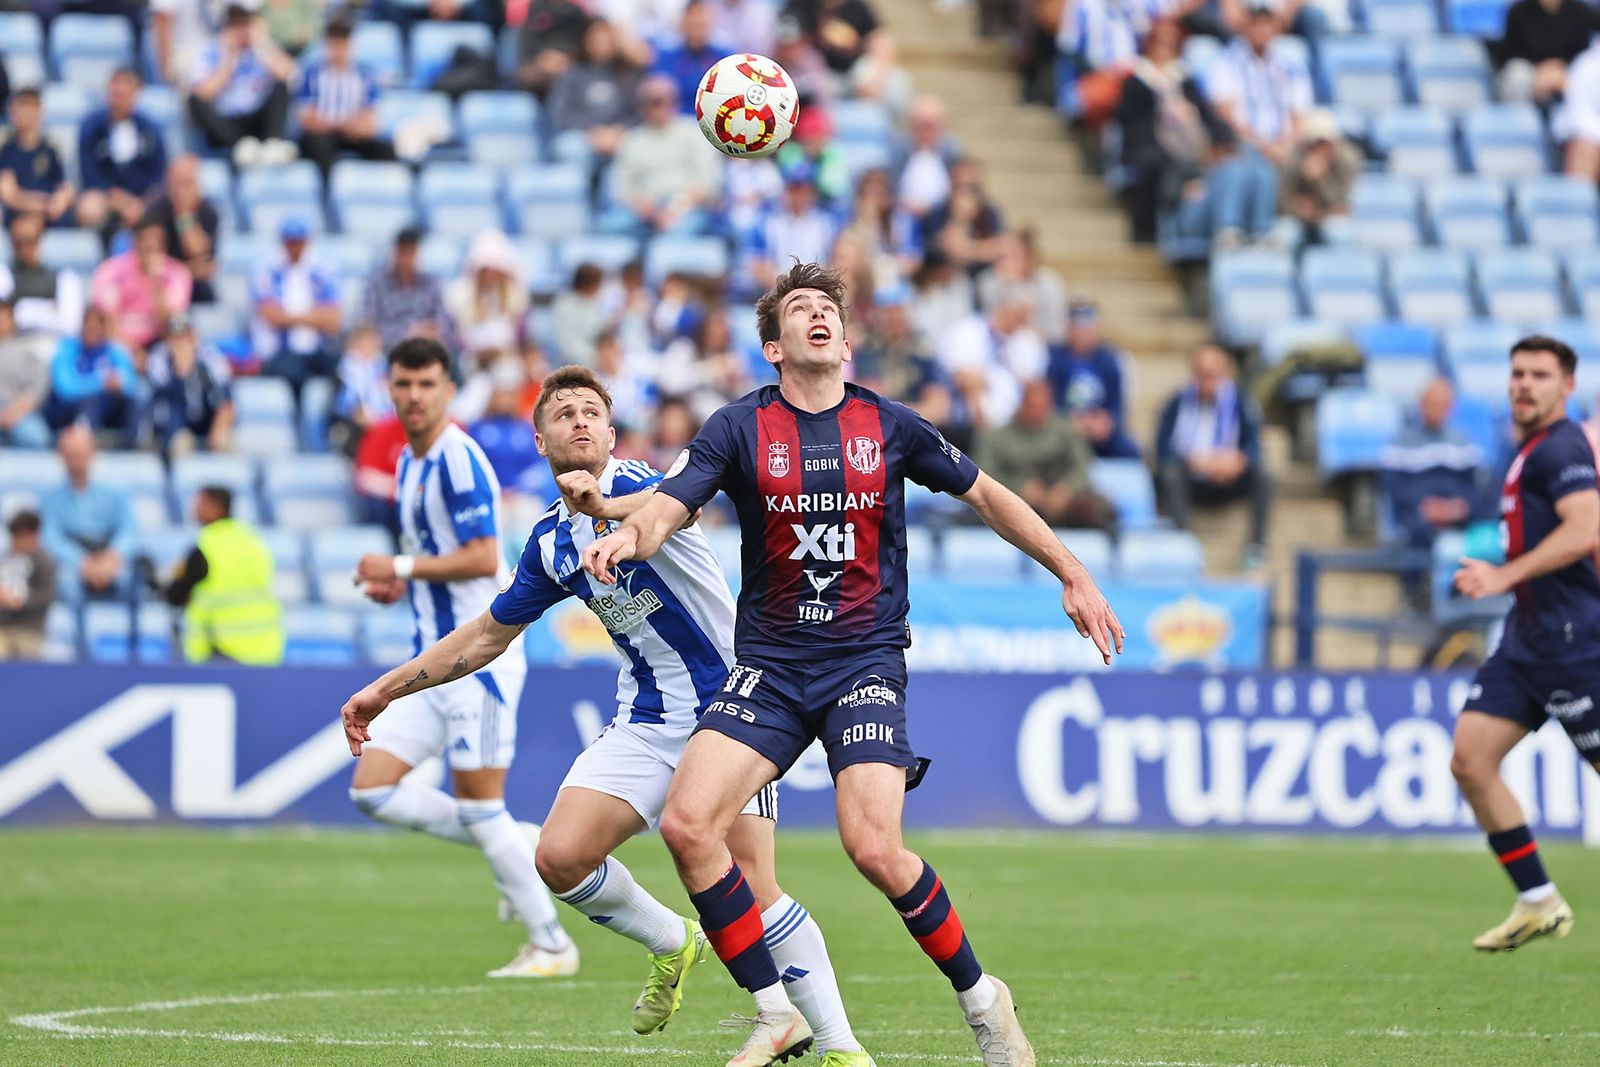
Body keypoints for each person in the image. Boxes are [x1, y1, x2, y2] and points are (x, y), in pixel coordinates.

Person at [581, 262, 1123, 1066]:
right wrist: (632, 534)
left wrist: (1071, 571)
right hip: (768, 664)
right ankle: (775, 1010)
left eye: (827, 306)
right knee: (690, 826)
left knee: (871, 845)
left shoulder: (890, 425)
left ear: (847, 334)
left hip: (862, 660)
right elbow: (673, 498)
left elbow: (987, 495)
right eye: (798, 308)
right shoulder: (736, 427)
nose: (817, 315)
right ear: (774, 345)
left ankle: (982, 999)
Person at [344, 364, 873, 1064]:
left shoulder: (643, 489)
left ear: (613, 432)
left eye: (591, 410)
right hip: (648, 717)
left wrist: (607, 507)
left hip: (734, 710)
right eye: (563, 414)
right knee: (558, 856)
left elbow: (676, 505)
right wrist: (386, 688)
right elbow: (483, 636)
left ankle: (839, 1045)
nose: (580, 421)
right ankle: (675, 941)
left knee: (755, 883)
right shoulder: (548, 543)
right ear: (540, 440)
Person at [343, 337, 576, 978]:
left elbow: (480, 556)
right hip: (432, 663)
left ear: (448, 390)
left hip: (480, 661)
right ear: (389, 390)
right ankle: (518, 844)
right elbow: (440, 559)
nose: (414, 396)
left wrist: (397, 563)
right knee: (374, 790)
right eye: (403, 385)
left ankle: (552, 944)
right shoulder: (410, 463)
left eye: (426, 384)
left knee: (477, 804)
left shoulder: (458, 460)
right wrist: (404, 581)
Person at [1450, 335, 1600, 951]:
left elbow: (1586, 526)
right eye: (1517, 373)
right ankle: (1538, 901)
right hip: (1527, 642)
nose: (1524, 384)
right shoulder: (1527, 450)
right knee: (1470, 759)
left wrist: (1502, 576)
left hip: (1575, 644)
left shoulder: (1561, 446)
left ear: (1566, 386)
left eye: (1540, 374)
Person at [1155, 343, 1273, 570]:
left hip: (1229, 479)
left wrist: (1237, 461)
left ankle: (1256, 546)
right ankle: (1183, 543)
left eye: (1212, 375)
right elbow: (1162, 448)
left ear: (1225, 373)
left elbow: (1254, 445)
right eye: (1201, 374)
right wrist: (1194, 462)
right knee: (1169, 474)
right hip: (1191, 477)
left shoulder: (1242, 402)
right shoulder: (1177, 402)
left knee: (1264, 476)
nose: (1207, 382)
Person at [1203, 2, 1312, 246]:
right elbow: (1226, 113)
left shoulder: (1291, 64)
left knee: (1275, 166)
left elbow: (1299, 113)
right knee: (1251, 167)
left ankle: (1262, 231)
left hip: (1281, 144)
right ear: (1246, 26)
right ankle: (1235, 229)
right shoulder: (1226, 60)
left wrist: (1285, 144)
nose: (1262, 30)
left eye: (1268, 23)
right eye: (1256, 23)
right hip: (1243, 141)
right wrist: (1264, 146)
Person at [160, 486, 284, 665]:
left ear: (217, 506)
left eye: (200, 502)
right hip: (266, 645)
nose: (194, 509)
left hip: (222, 648)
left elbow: (175, 593)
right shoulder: (253, 539)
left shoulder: (205, 546)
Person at [978, 378, 1117, 531]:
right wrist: (1019, 488)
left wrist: (1066, 489)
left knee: (1099, 509)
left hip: (1064, 503)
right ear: (1022, 404)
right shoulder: (996, 437)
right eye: (1032, 405)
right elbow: (984, 474)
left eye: (1042, 405)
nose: (1037, 411)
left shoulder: (1067, 432)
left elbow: (1082, 467)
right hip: (1015, 505)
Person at [607, 76, 723, 237]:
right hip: (644, 210)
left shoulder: (695, 133)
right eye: (651, 102)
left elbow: (708, 183)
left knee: (677, 231)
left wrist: (675, 209)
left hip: (688, 207)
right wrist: (645, 208)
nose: (659, 108)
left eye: (664, 101)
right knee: (611, 226)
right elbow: (622, 188)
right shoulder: (632, 140)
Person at [187, 4, 299, 169]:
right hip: (228, 122)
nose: (241, 30)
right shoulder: (211, 52)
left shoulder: (264, 49)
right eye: (235, 24)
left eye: (245, 23)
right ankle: (241, 146)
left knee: (281, 86)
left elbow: (290, 77)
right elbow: (203, 94)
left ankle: (272, 143)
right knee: (194, 100)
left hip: (258, 118)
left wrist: (261, 44)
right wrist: (229, 58)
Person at [1380, 378, 1484, 552]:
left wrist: (1456, 507)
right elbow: (1394, 488)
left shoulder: (1463, 442)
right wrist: (1425, 506)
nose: (1438, 409)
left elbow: (1474, 487)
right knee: (1416, 533)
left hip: (1457, 515)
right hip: (1416, 516)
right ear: (1421, 404)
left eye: (1443, 404)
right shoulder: (1400, 443)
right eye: (1432, 403)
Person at [40, 425, 139, 604]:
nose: (76, 461)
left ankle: (127, 631)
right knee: (66, 582)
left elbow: (129, 530)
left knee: (129, 579)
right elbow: (50, 538)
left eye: (80, 454)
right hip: (73, 563)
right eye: (70, 455)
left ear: (93, 453)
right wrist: (82, 562)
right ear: (61, 456)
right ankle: (78, 632)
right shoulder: (50, 498)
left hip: (109, 556)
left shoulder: (115, 492)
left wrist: (112, 557)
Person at [296, 16, 395, 179]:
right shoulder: (312, 74)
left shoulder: (365, 75)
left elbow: (371, 122)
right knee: (317, 144)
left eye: (342, 44)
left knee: (385, 149)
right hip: (324, 134)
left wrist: (352, 127)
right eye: (334, 44)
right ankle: (327, 192)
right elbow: (307, 120)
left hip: (352, 134)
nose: (338, 51)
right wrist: (338, 125)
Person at [253, 216, 342, 397]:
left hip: (318, 351)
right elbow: (270, 317)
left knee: (342, 370)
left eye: (299, 241)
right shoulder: (265, 269)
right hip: (279, 353)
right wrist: (315, 316)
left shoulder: (323, 269)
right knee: (291, 373)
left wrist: (289, 316)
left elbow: (333, 319)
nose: (295, 247)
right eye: (290, 241)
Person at [76, 67, 168, 236]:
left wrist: (141, 203)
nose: (120, 97)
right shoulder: (91, 127)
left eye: (126, 92)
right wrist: (119, 200)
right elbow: (89, 173)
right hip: (106, 196)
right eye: (116, 91)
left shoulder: (150, 129)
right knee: (89, 208)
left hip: (142, 198)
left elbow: (159, 174)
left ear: (136, 93)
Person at [1046, 298, 1142, 459]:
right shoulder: (1053, 359)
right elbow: (1049, 401)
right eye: (1078, 327)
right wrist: (1069, 423)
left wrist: (1106, 422)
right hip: (1065, 429)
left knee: (1129, 450)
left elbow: (1117, 405)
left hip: (1101, 431)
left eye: (1088, 327)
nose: (1083, 332)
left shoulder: (1111, 360)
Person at [90, 214, 193, 357]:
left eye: (157, 242)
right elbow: (108, 322)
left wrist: (157, 282)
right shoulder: (110, 271)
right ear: (135, 241)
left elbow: (171, 321)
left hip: (160, 345)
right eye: (146, 241)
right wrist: (134, 353)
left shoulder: (178, 274)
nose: (151, 246)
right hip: (119, 347)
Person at [547, 19, 639, 164]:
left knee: (638, 146)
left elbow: (637, 113)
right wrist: (593, 131)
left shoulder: (628, 75)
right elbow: (561, 114)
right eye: (595, 40)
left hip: (619, 135)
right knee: (570, 147)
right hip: (582, 136)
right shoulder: (571, 74)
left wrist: (619, 130)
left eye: (605, 40)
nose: (601, 45)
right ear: (585, 41)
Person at [44, 307, 140, 444]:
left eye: (96, 328)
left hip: (107, 410)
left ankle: (134, 447)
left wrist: (120, 384)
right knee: (89, 403)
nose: (92, 332)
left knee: (134, 401)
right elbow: (65, 389)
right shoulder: (67, 349)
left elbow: (131, 383)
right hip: (69, 412)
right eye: (88, 327)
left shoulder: (113, 351)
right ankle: (85, 447)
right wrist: (100, 383)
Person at [145, 313, 235, 457]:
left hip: (207, 417)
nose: (182, 343)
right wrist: (182, 369)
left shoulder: (211, 357)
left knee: (224, 443)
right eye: (176, 338)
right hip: (174, 419)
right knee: (180, 444)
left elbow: (225, 397)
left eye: (186, 336)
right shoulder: (159, 358)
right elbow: (164, 394)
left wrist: (219, 427)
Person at [146, 155, 222, 305]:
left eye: (189, 183)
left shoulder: (208, 213)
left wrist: (184, 216)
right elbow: (152, 264)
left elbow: (201, 256)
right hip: (161, 288)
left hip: (197, 289)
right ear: (168, 183)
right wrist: (186, 271)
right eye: (179, 183)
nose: (183, 191)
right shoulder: (154, 212)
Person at [1494, 0, 1600, 107]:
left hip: (1569, 75)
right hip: (1532, 74)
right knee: (1517, 74)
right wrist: (1540, 70)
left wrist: (1563, 73)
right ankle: (1518, 118)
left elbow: (1587, 55)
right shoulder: (1518, 11)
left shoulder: (1581, 11)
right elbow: (1509, 55)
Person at [1280, 109, 1360, 247]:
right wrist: (1298, 209)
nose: (1320, 148)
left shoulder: (1348, 159)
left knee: (1339, 232)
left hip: (1329, 216)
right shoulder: (1293, 158)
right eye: (1315, 142)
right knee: (1283, 235)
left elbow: (1342, 203)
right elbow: (1281, 200)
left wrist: (1320, 180)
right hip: (1297, 217)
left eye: (1325, 143)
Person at [362, 227, 448, 352]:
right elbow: (368, 326)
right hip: (390, 349)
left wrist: (431, 329)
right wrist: (407, 332)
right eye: (403, 252)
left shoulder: (430, 283)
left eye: (411, 252)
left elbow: (444, 319)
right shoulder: (376, 284)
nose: (407, 259)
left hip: (427, 349)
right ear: (394, 253)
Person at [0, 212, 85, 338]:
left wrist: (22, 309)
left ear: (39, 240)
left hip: (52, 348)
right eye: (17, 242)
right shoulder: (3, 275)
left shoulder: (64, 278)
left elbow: (71, 325)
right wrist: (48, 310)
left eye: (29, 241)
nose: (23, 248)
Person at [0, 89, 75, 226]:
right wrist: (37, 206)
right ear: (12, 112)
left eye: (32, 108)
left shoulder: (51, 147)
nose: (27, 114)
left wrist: (60, 201)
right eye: (22, 107)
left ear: (41, 112)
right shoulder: (6, 148)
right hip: (18, 215)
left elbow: (64, 186)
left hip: (50, 214)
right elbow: (8, 193)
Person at [329, 323, 394, 457]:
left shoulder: (387, 370)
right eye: (362, 346)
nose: (367, 350)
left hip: (384, 419)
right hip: (352, 421)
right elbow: (337, 406)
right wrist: (357, 412)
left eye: (371, 345)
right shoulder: (343, 372)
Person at [0, 509, 57, 660]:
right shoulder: (5, 559)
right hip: (2, 627)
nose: (16, 542)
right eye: (14, 537)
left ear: (33, 536)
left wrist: (19, 600)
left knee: (28, 659)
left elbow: (46, 596)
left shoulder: (44, 562)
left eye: (21, 537)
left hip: (30, 629)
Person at [0, 299, 53, 448]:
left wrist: (13, 413)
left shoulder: (26, 352)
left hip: (18, 413)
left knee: (34, 437)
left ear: (12, 320)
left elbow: (37, 390)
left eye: (3, 317)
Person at [652, 1, 721, 114]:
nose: (696, 31)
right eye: (692, 25)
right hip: (676, 120)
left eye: (700, 25)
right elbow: (658, 92)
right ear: (682, 24)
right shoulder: (667, 56)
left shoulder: (722, 56)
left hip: (714, 118)